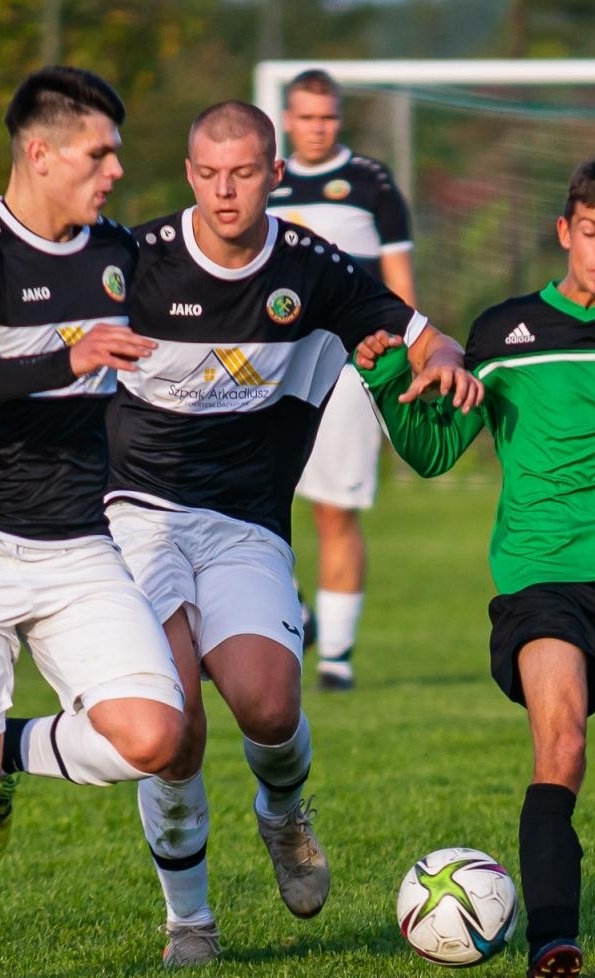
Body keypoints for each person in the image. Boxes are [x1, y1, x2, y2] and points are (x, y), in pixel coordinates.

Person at [96, 101, 477, 966]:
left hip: (245, 523)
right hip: (135, 516)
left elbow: (424, 336)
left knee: (270, 708)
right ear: (188, 175)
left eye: (242, 173)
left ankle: (283, 814)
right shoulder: (133, 264)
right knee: (176, 719)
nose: (224, 192)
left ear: (274, 175)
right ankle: (188, 922)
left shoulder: (313, 268)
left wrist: (445, 359)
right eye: (207, 174)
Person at [354, 150, 595, 978]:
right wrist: (389, 377)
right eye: (592, 234)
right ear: (565, 230)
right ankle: (553, 946)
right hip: (540, 581)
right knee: (560, 745)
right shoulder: (503, 332)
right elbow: (432, 452)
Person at [0, 66, 187, 978]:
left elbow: (213, 295)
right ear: (40, 153)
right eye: (99, 154)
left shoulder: (118, 251)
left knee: (155, 737)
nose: (114, 170)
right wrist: (69, 355)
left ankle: (17, 747)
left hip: (72, 539)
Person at [265, 68, 417, 692]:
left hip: (352, 365)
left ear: (339, 118)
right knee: (261, 504)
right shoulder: (262, 181)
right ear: (288, 118)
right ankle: (293, 612)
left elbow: (399, 282)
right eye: (305, 116)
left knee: (335, 511)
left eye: (327, 116)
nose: (317, 127)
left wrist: (406, 355)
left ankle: (336, 660)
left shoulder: (371, 183)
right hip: (270, 367)